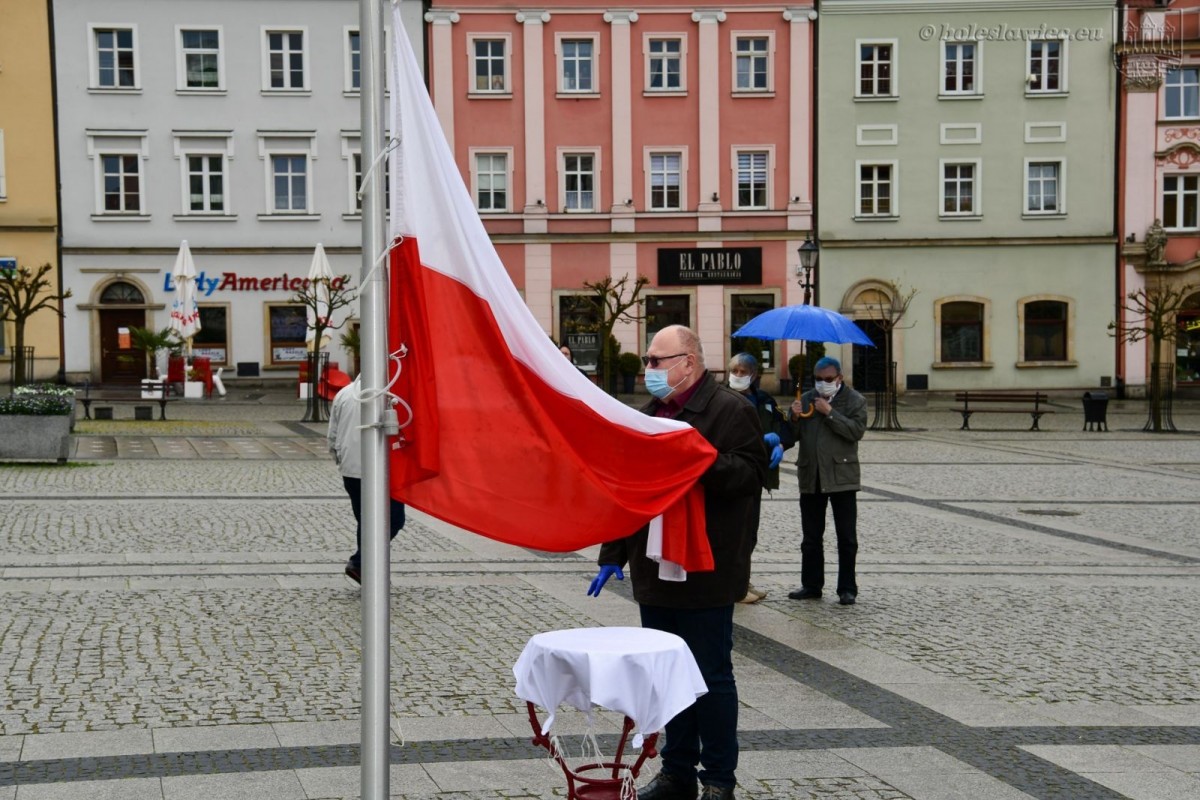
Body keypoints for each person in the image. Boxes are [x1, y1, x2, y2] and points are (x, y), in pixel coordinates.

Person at [587, 325, 768, 800]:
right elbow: (629, 488)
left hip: (707, 566)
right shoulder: (650, 415)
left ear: (688, 362)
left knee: (710, 676)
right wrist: (612, 555)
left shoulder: (730, 410)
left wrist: (696, 458)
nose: (647, 369)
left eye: (655, 361)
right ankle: (676, 772)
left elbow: (750, 477)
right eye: (647, 360)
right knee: (667, 675)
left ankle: (719, 781)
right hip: (655, 566)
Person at [786, 356, 867, 606]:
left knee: (846, 537)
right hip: (812, 475)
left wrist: (830, 413)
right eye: (819, 379)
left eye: (829, 379)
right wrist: (794, 417)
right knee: (811, 536)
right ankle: (811, 585)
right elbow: (794, 435)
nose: (823, 384)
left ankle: (847, 588)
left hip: (842, 477)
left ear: (839, 378)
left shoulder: (855, 400)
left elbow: (856, 431)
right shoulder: (807, 398)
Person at [726, 352, 794, 604]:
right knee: (734, 532)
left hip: (757, 475)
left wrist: (782, 444)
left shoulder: (764, 400)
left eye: (744, 372)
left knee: (750, 532)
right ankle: (734, 585)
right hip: (732, 474)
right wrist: (759, 440)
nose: (738, 376)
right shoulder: (721, 399)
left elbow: (784, 426)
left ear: (754, 375)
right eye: (735, 371)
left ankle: (742, 580)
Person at [328, 375, 406, 585]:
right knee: (394, 519)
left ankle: (367, 569)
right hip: (382, 470)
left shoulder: (344, 393)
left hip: (351, 470)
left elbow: (332, 434)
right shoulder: (389, 396)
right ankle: (361, 562)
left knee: (366, 520)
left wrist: (341, 461)